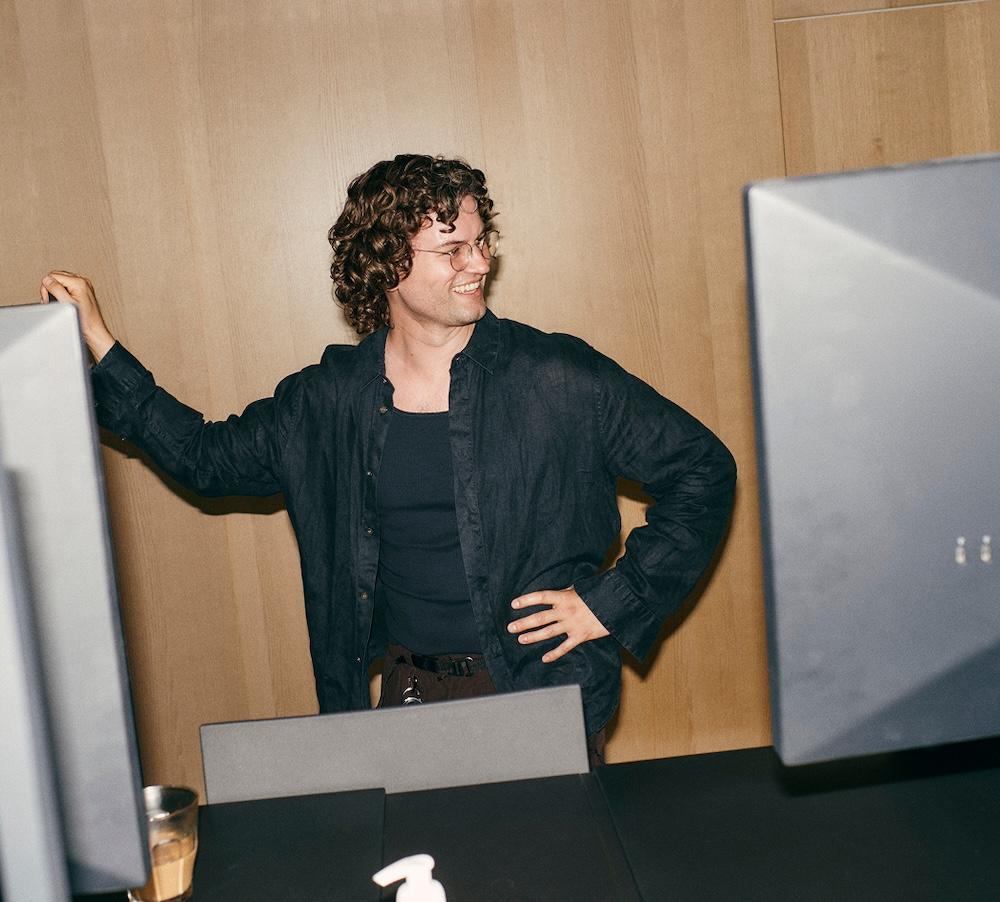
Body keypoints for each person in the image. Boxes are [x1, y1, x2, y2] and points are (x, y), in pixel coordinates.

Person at [40, 153, 736, 766]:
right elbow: (203, 457)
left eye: (481, 240)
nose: (481, 262)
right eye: (453, 248)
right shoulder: (327, 400)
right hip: (408, 697)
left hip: (543, 691)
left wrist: (611, 601)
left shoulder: (557, 376)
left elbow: (702, 469)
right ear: (388, 262)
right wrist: (102, 344)